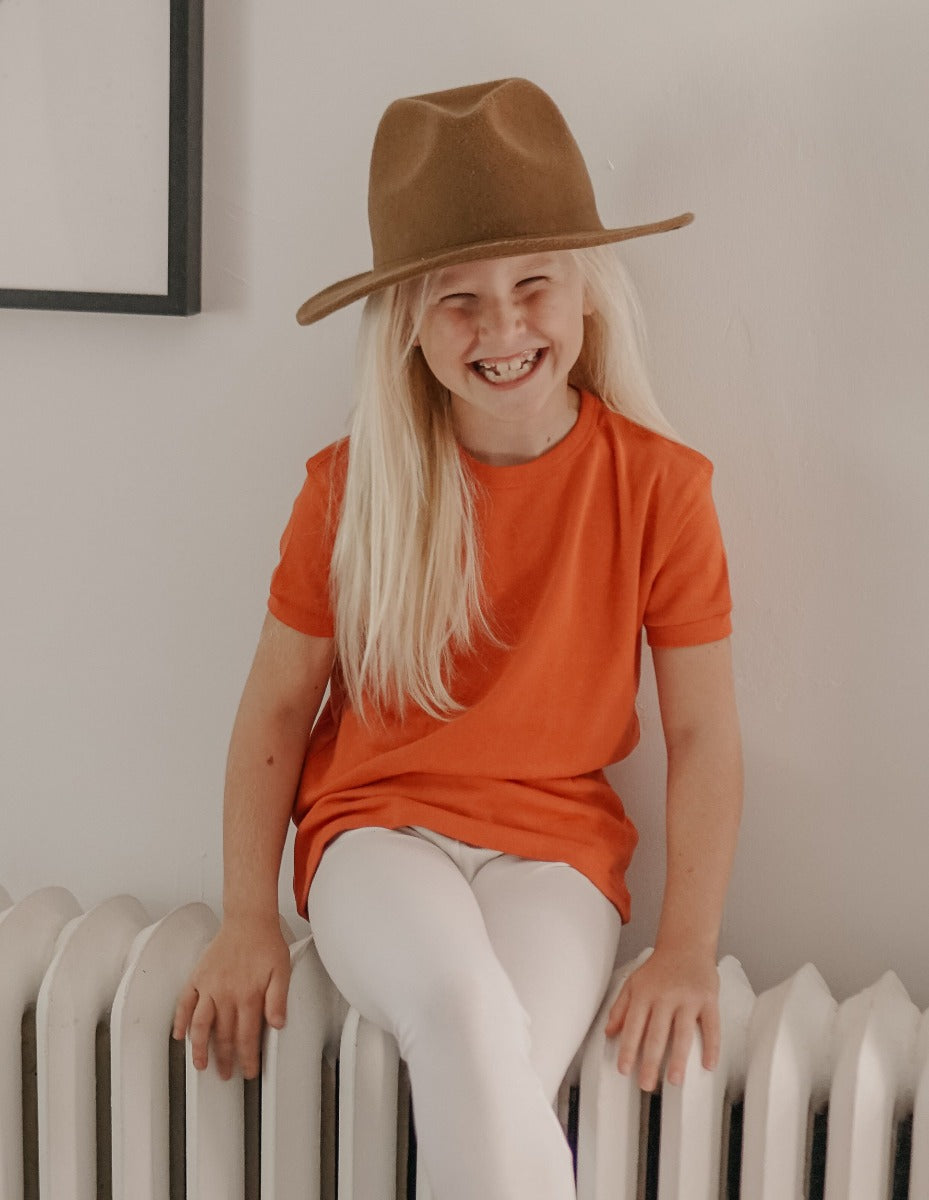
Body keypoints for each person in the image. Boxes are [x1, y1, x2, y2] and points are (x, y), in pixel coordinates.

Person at [173, 77, 742, 1200]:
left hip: (559, 856)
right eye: (458, 301)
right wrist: (246, 915)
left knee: (497, 1071)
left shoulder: (661, 490)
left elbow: (703, 734)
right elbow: (277, 706)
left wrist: (685, 947)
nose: (503, 329)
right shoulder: (351, 491)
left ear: (585, 293)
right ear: (406, 321)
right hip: (377, 837)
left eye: (532, 286)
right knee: (463, 1011)